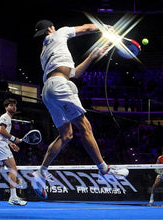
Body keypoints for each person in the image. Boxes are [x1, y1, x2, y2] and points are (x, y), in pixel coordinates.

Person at [29, 19, 129, 200]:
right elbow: (85, 28)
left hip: (48, 91)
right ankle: (104, 170)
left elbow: (74, 73)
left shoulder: (45, 52)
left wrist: (91, 57)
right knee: (85, 127)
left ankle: (41, 172)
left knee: (66, 134)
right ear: (52, 28)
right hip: (60, 86)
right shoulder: (58, 32)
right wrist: (104, 27)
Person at [0, 98, 27, 206]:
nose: (13, 107)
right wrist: (14, 139)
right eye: (11, 105)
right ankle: (13, 197)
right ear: (6, 107)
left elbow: (1, 135)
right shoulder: (5, 117)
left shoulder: (6, 118)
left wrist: (10, 143)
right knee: (13, 169)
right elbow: (1, 131)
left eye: (14, 105)